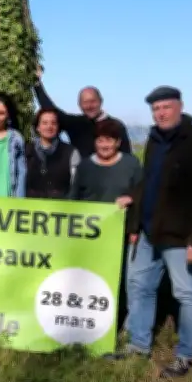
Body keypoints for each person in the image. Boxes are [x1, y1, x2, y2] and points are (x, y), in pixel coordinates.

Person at [111, 86, 192, 378]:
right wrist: (132, 202)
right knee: (139, 286)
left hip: (181, 238)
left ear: (180, 106)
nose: (160, 113)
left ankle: (185, 355)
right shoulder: (154, 139)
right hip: (150, 233)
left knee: (186, 294)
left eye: (165, 107)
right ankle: (139, 345)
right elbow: (149, 181)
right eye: (155, 109)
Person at [69, 118, 142, 331]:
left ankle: (124, 323)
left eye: (109, 140)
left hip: (123, 232)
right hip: (91, 235)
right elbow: (74, 198)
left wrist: (134, 229)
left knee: (126, 279)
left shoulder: (131, 164)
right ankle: (92, 320)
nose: (104, 145)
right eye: (100, 140)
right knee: (93, 277)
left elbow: (141, 195)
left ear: (118, 142)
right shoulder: (84, 166)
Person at [33, 65, 132, 157]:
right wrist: (37, 84)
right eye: (85, 102)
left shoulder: (116, 126)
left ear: (101, 101)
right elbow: (51, 110)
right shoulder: (76, 124)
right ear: (79, 105)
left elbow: (127, 158)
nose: (89, 106)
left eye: (93, 101)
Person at [25, 108, 80, 199]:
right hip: (30, 209)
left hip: (61, 209)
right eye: (45, 123)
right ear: (38, 127)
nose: (49, 126)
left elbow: (75, 187)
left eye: (53, 123)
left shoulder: (71, 152)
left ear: (58, 127)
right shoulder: (26, 151)